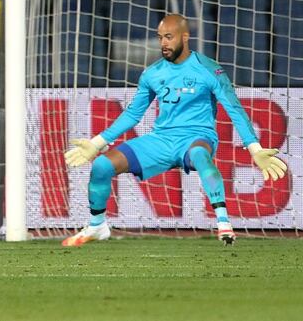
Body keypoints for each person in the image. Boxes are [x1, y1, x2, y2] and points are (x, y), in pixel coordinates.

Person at [63, 14, 287, 246]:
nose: (163, 44)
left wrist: (255, 148)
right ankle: (97, 225)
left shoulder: (209, 70)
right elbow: (132, 114)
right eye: (160, 38)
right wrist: (97, 143)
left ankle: (223, 222)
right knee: (101, 166)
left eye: (169, 37)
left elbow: (234, 109)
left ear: (185, 37)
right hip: (161, 140)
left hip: (197, 137)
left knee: (200, 155)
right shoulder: (152, 73)